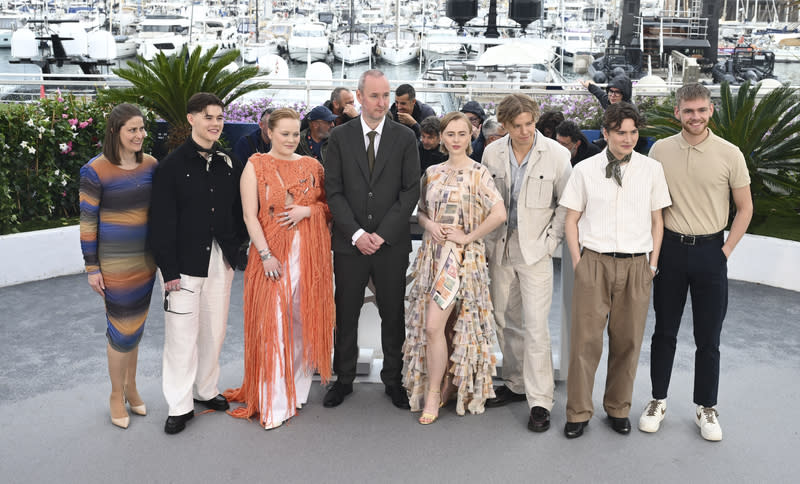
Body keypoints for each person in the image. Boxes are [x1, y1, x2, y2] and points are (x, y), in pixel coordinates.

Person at [639, 83, 753, 442]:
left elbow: (745, 207)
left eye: (702, 110)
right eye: (688, 111)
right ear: (677, 112)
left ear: (711, 111)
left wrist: (726, 251)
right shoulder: (659, 150)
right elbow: (650, 203)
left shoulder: (730, 153)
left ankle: (707, 407)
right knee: (664, 332)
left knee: (709, 337)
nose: (696, 117)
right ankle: (657, 400)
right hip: (670, 251)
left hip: (711, 253)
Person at [559, 102, 671, 439]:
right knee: (585, 342)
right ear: (605, 133)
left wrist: (652, 264)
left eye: (633, 131)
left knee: (628, 341)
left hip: (637, 264)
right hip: (594, 262)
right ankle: (578, 412)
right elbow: (571, 219)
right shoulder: (585, 170)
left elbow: (657, 221)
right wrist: (579, 263)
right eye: (620, 132)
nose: (628, 138)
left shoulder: (651, 170)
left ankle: (618, 408)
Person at [224, 108, 335, 430]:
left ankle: (296, 392)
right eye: (283, 133)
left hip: (310, 256)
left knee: (304, 324)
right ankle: (274, 402)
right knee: (273, 326)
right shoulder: (255, 165)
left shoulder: (313, 165)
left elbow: (328, 207)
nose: (290, 139)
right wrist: (265, 254)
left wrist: (307, 210)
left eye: (294, 133)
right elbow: (249, 215)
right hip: (271, 255)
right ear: (269, 132)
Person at [149, 92, 247, 435]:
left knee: (214, 331)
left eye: (220, 117)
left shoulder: (227, 162)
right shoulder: (170, 167)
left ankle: (206, 390)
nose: (216, 124)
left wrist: (237, 253)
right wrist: (169, 271)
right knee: (180, 337)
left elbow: (237, 214)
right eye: (209, 117)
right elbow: (160, 223)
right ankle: (179, 405)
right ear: (191, 119)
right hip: (183, 266)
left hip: (220, 261)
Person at [323, 69, 421, 409]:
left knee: (393, 314)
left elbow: (410, 193)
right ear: (360, 96)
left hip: (390, 245)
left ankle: (394, 380)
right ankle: (343, 379)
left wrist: (380, 234)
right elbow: (333, 192)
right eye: (375, 96)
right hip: (350, 245)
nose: (382, 103)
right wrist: (357, 234)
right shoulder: (338, 138)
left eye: (386, 95)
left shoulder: (406, 138)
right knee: (345, 312)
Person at [403, 112, 507, 424]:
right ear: (443, 137)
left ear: (470, 137)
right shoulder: (432, 173)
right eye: (451, 134)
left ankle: (434, 392)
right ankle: (444, 385)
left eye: (462, 133)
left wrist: (468, 236)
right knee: (436, 328)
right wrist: (430, 224)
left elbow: (499, 213)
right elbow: (420, 212)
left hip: (460, 262)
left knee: (435, 326)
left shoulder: (479, 173)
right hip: (432, 257)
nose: (456, 139)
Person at [481, 94, 572, 434]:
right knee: (505, 320)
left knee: (536, 327)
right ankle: (516, 384)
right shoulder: (492, 152)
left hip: (536, 252)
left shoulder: (558, 155)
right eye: (516, 126)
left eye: (529, 124)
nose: (524, 132)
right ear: (504, 125)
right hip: (500, 249)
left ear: (535, 120)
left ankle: (540, 401)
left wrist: (550, 243)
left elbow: (566, 204)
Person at [80, 103, 158, 429]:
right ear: (116, 132)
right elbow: (87, 223)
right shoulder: (95, 170)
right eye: (132, 130)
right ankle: (116, 394)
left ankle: (132, 387)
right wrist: (91, 268)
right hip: (114, 265)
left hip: (146, 263)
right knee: (121, 331)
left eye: (142, 129)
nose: (140, 135)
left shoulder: (151, 165)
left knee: (135, 329)